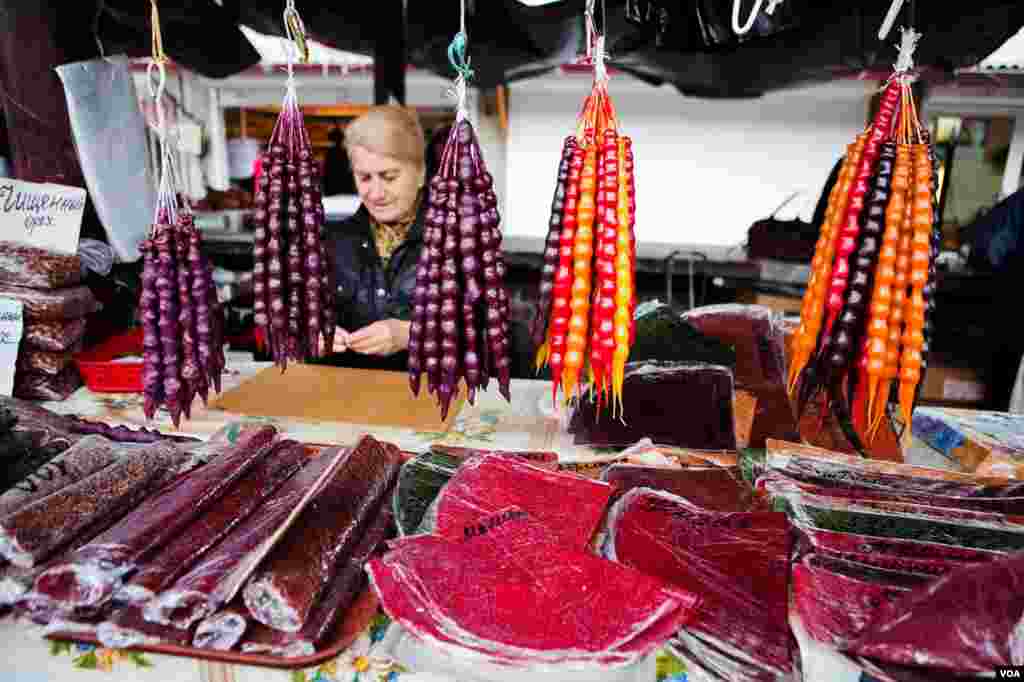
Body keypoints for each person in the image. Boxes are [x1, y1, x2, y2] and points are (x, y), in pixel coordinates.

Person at [320, 106, 428, 370]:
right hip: (347, 400)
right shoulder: (333, 242)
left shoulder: (457, 241)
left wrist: (409, 334)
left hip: (432, 402)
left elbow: (486, 334)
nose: (376, 193)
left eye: (389, 177)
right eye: (364, 177)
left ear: (420, 173)